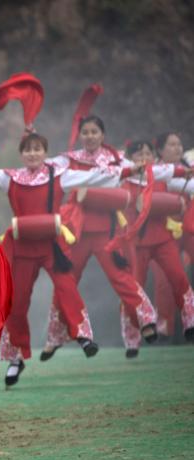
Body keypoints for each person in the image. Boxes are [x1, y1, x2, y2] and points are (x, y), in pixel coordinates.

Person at [0, 132, 118, 384]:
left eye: (38, 148)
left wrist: (129, 171)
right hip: (22, 248)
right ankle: (16, 357)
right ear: (21, 154)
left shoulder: (60, 176)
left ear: (45, 153)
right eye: (28, 149)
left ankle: (83, 335)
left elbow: (96, 177)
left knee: (67, 288)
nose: (33, 153)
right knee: (18, 302)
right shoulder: (9, 178)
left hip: (51, 245)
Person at [41, 116, 158, 358]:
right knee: (65, 281)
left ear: (102, 135)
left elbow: (140, 177)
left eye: (94, 131)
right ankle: (55, 337)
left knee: (120, 276)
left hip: (106, 228)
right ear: (81, 135)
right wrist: (30, 139)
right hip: (77, 230)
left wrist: (141, 171)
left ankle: (146, 319)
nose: (90, 136)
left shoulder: (116, 159)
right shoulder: (70, 159)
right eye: (86, 132)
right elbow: (43, 164)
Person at [121, 136, 194, 348]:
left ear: (154, 157)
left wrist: (186, 172)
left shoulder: (160, 174)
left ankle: (190, 321)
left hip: (163, 239)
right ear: (130, 159)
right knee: (135, 287)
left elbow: (182, 179)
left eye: (148, 154)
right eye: (139, 155)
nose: (144, 158)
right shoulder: (122, 177)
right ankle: (133, 336)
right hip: (136, 242)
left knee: (179, 278)